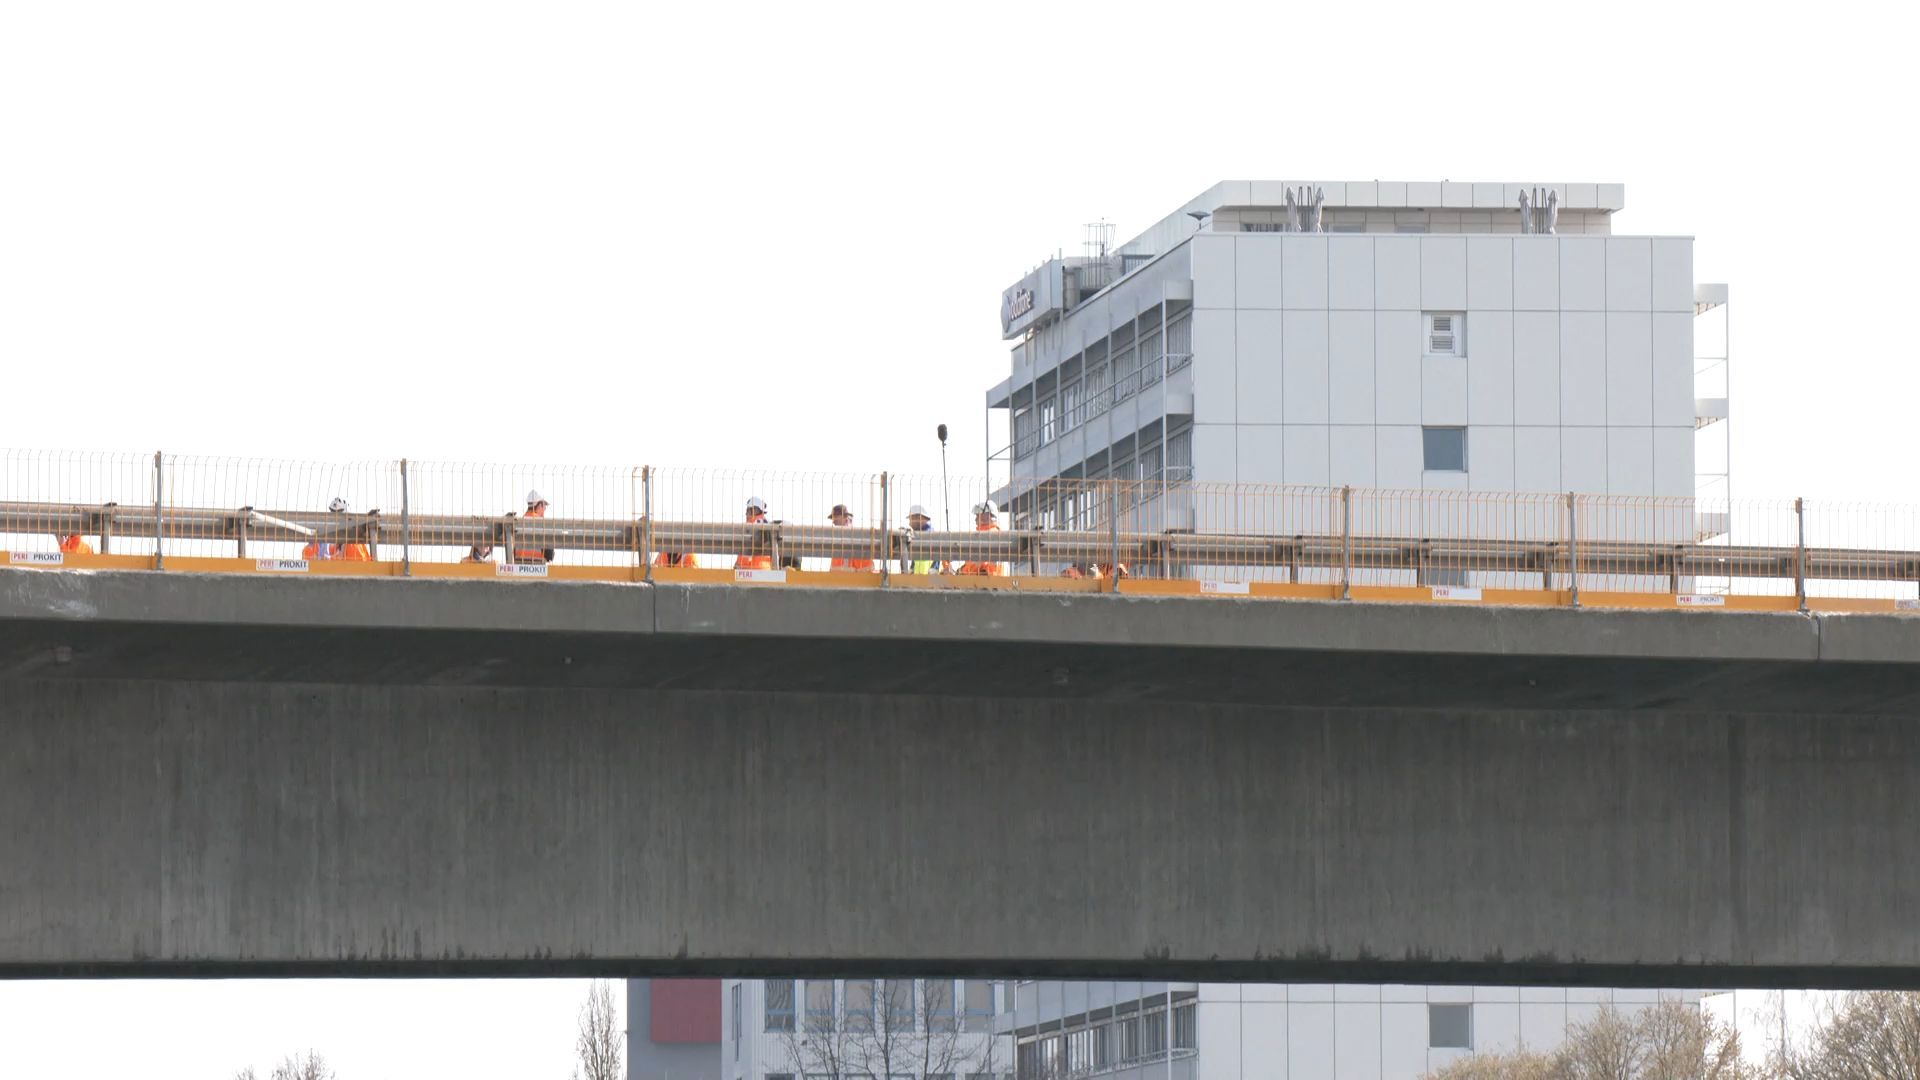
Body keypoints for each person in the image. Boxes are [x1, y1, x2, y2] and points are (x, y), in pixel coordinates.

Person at [303, 497, 372, 561]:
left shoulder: (352, 544)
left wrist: (325, 559)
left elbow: (353, 564)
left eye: (337, 517)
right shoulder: (336, 545)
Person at [955, 499, 1005, 576]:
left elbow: (976, 563)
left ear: (987, 516)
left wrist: (962, 572)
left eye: (978, 515)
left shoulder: (988, 535)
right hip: (986, 578)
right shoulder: (992, 534)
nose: (975, 519)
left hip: (985, 579)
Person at [827, 503, 875, 572]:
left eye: (836, 517)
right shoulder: (837, 543)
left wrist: (852, 571)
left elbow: (870, 568)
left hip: (857, 581)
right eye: (833, 518)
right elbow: (833, 570)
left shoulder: (858, 540)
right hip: (841, 580)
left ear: (846, 519)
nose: (833, 521)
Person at [513, 489, 555, 564]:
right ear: (539, 505)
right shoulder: (542, 524)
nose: (545, 509)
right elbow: (549, 555)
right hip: (537, 566)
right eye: (544, 506)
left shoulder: (518, 522)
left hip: (518, 565)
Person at [901, 503, 942, 574]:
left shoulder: (930, 535)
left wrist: (934, 568)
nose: (909, 523)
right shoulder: (918, 535)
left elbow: (939, 551)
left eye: (911, 519)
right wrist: (912, 568)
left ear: (919, 518)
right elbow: (916, 555)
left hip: (929, 581)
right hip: (919, 580)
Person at [735, 495, 774, 571]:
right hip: (766, 568)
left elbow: (746, 553)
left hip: (752, 568)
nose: (746, 514)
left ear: (755, 510)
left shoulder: (752, 526)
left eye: (748, 511)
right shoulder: (767, 524)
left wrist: (738, 565)